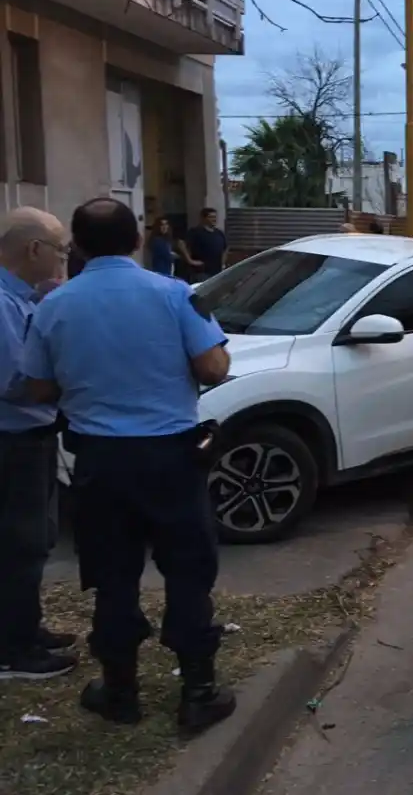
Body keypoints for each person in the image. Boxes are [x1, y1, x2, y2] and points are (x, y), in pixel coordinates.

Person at [21, 198, 236, 732]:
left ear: (78, 247)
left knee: (113, 578)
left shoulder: (53, 306)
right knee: (187, 573)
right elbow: (213, 368)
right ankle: (198, 692)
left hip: (99, 462)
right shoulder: (175, 294)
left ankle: (120, 693)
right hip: (172, 458)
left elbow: (39, 388)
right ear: (137, 242)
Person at [0, 207, 79, 681]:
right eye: (60, 251)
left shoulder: (23, 298)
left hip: (31, 435)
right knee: (20, 543)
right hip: (12, 439)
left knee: (35, 539)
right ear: (34, 250)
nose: (62, 260)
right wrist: (75, 382)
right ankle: (14, 650)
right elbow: (16, 381)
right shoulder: (3, 303)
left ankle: (26, 628)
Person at [180, 208, 226, 282]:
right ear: (204, 218)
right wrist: (190, 260)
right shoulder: (196, 232)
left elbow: (225, 248)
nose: (214, 219)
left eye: (215, 217)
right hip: (202, 272)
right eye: (211, 217)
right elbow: (181, 243)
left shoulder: (219, 233)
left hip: (217, 272)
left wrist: (223, 264)